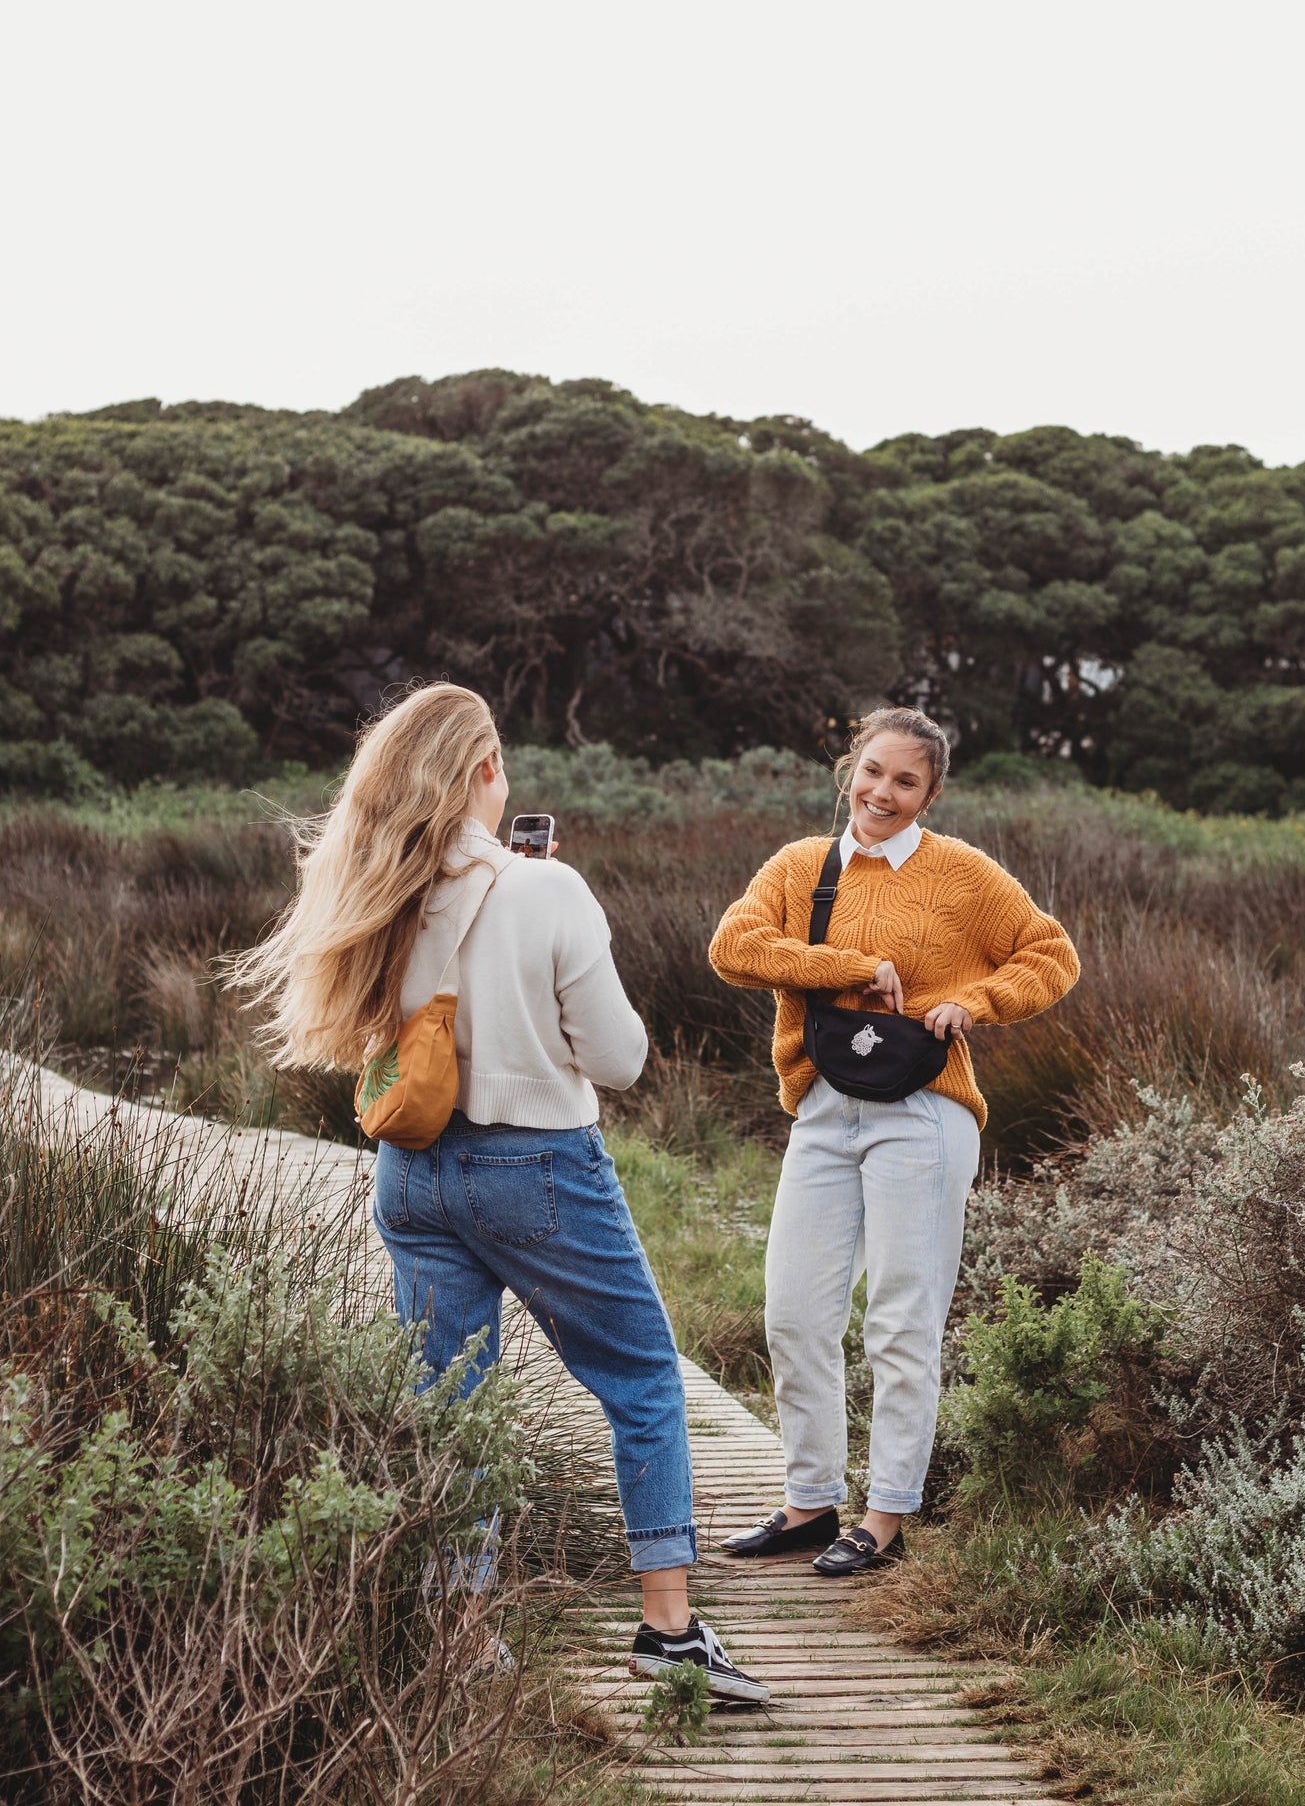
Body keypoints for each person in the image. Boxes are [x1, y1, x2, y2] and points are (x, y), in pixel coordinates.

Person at [227, 682, 766, 1704]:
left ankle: (460, 1633)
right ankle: (667, 1630)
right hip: (536, 1169)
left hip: (411, 1169)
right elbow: (619, 1058)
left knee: (449, 1402)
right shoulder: (544, 889)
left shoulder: (374, 889)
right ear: (480, 773)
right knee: (645, 1379)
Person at [708, 707, 1079, 1577]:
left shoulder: (962, 874)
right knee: (795, 1315)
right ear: (851, 767)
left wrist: (975, 1004)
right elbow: (733, 946)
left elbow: (1049, 953)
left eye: (904, 781)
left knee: (900, 1321)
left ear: (930, 793)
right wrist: (846, 966)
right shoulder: (802, 866)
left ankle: (884, 1517)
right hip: (823, 1109)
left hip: (924, 1112)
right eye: (873, 771)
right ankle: (807, 1504)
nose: (882, 792)